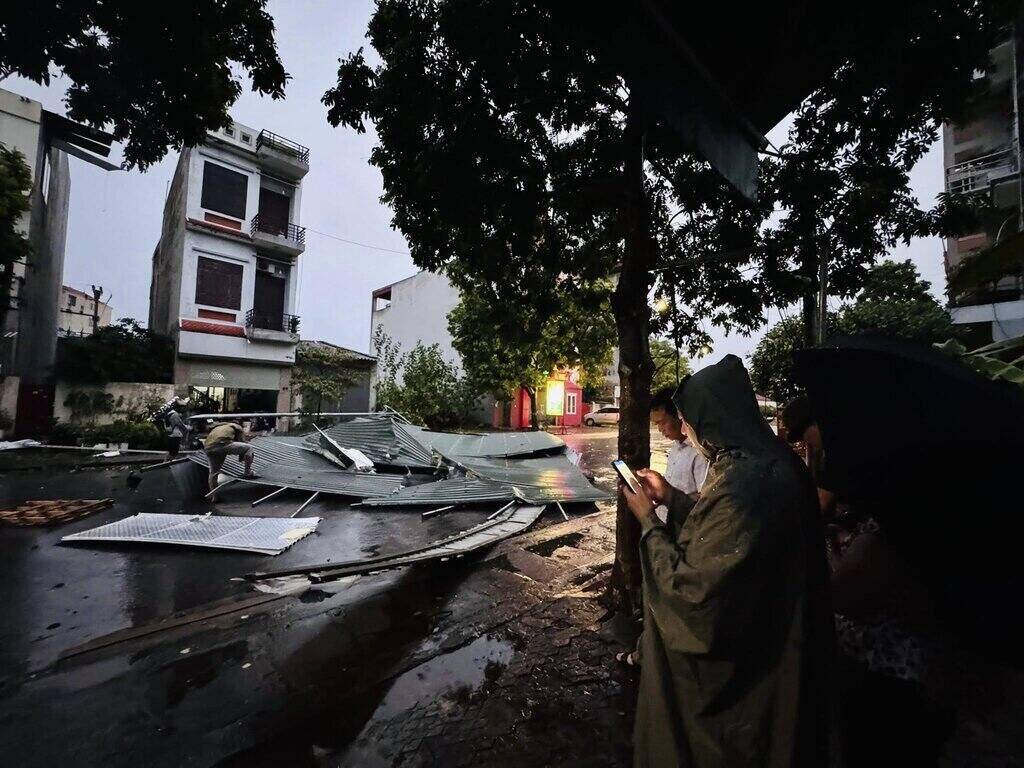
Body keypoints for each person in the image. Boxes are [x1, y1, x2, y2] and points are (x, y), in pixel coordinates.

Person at [622, 355, 834, 767]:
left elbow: (694, 594)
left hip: (749, 672)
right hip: (785, 637)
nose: (684, 430)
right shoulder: (775, 463)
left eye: (688, 420)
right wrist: (671, 497)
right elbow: (725, 534)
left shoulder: (741, 481)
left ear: (712, 417)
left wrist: (647, 521)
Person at [649, 386, 708, 507]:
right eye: (657, 424)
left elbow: (704, 501)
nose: (660, 429)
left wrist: (668, 495)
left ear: (680, 416)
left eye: (663, 422)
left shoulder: (699, 453)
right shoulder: (676, 447)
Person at [203, 420, 255, 495]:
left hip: (209, 448)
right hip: (222, 445)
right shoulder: (237, 426)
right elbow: (242, 442)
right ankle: (247, 472)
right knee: (249, 448)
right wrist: (242, 458)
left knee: (213, 472)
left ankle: (214, 496)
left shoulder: (219, 427)